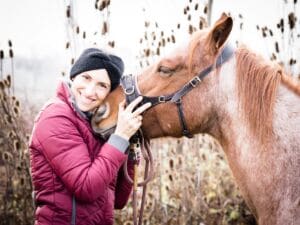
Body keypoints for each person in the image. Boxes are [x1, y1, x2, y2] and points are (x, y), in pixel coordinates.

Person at [29, 48, 151, 225]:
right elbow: (86, 188)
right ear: (74, 76)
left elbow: (118, 200)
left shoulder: (97, 126)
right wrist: (119, 138)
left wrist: (129, 146)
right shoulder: (55, 117)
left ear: (109, 93)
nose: (90, 91)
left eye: (102, 85)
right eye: (86, 78)